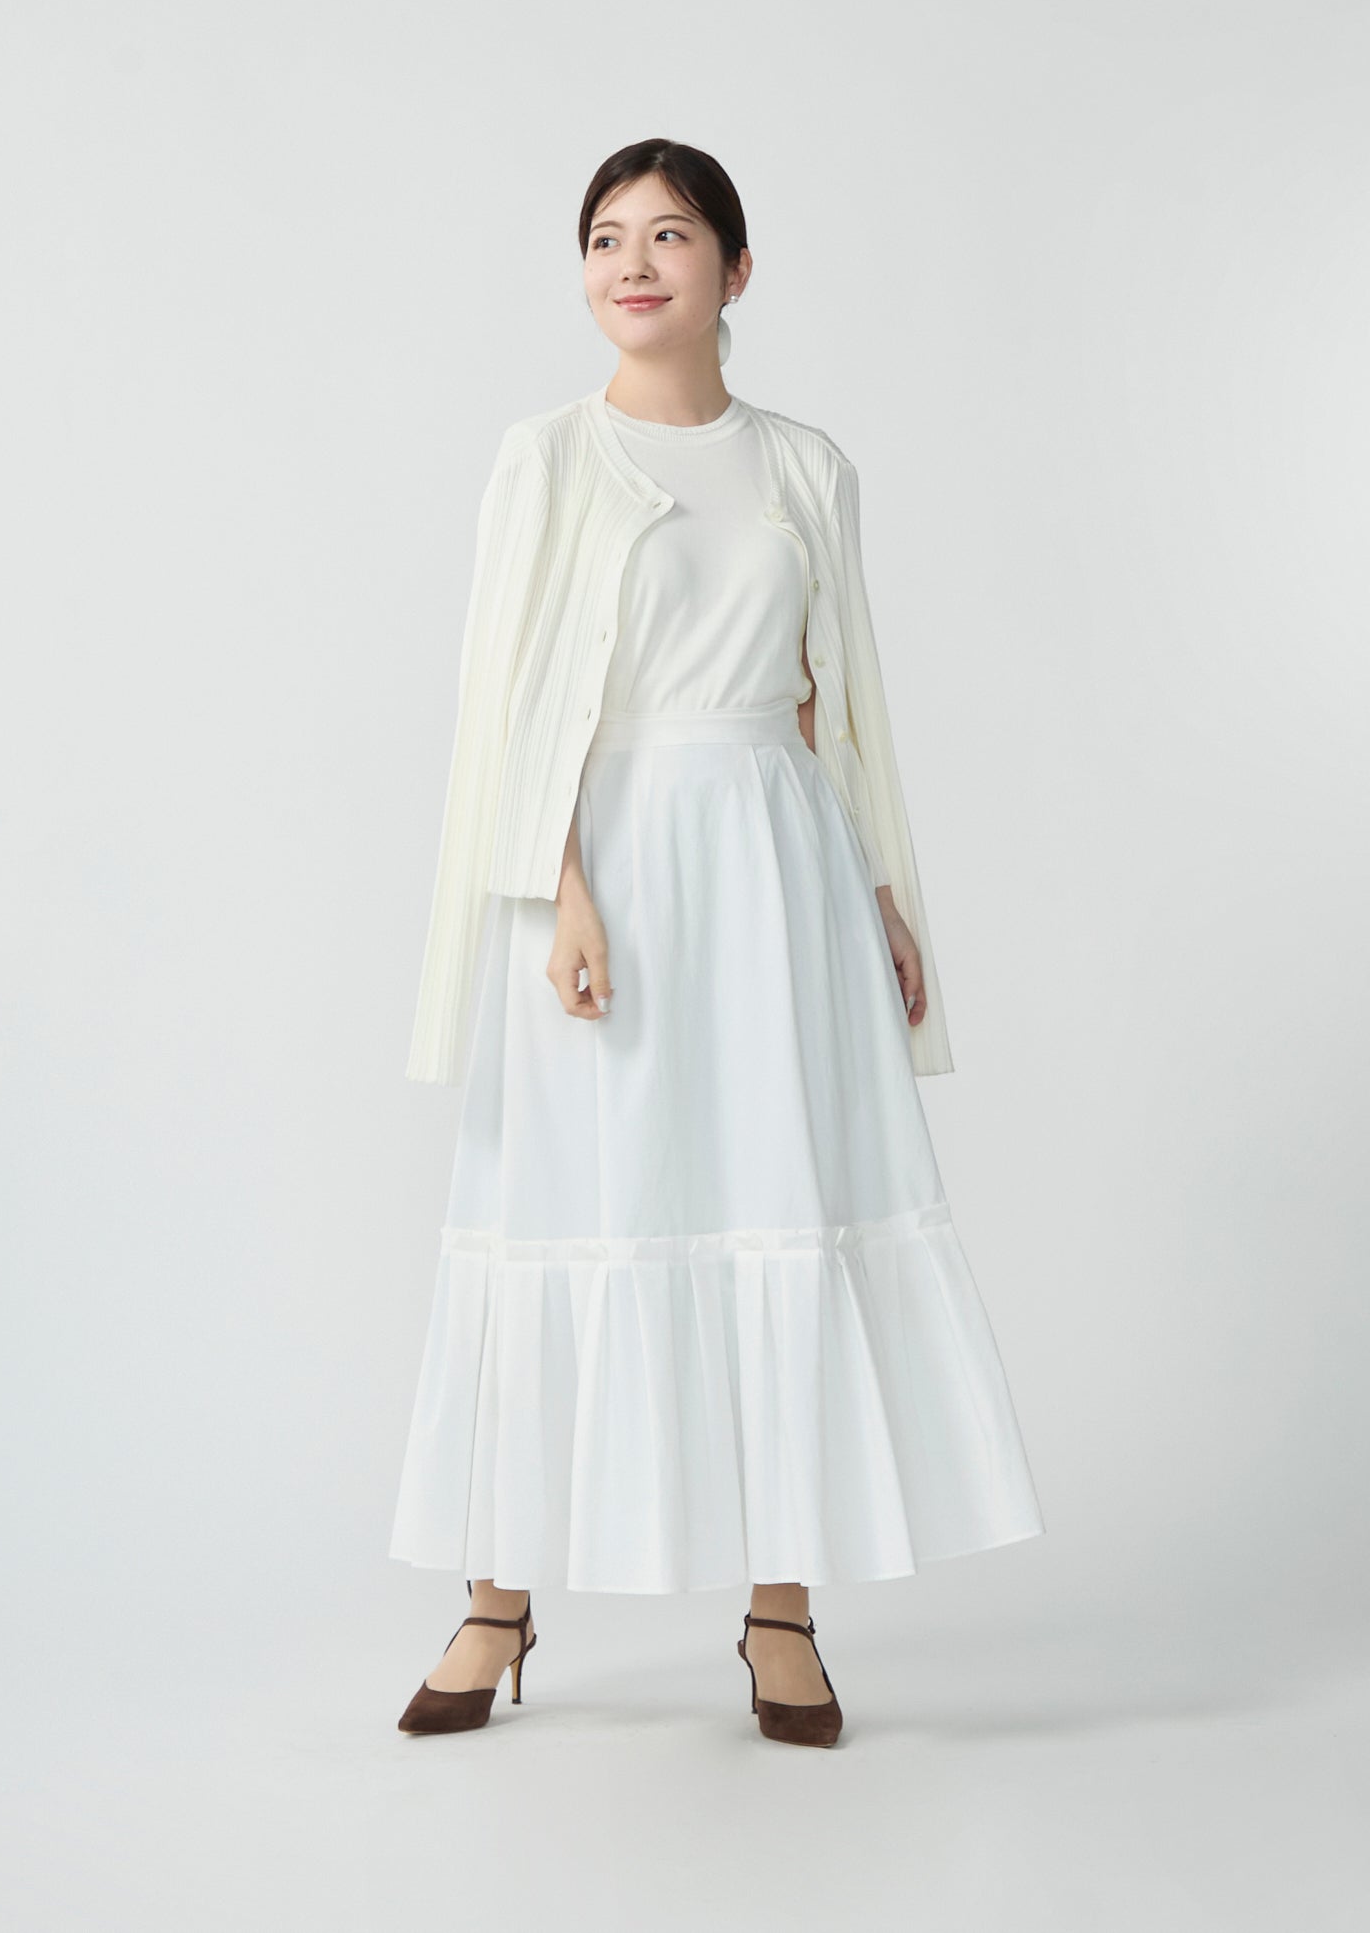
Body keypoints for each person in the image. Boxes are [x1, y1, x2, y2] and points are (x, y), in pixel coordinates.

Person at [389, 138, 1045, 1746]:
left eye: (670, 235)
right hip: (603, 867)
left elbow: (837, 703)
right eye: (605, 238)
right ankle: (496, 1601)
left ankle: (779, 1611)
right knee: (565, 1203)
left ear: (735, 271)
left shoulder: (805, 466)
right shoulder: (545, 459)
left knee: (776, 1199)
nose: (632, 264)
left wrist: (876, 889)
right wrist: (560, 889)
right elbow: (503, 709)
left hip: (775, 869)